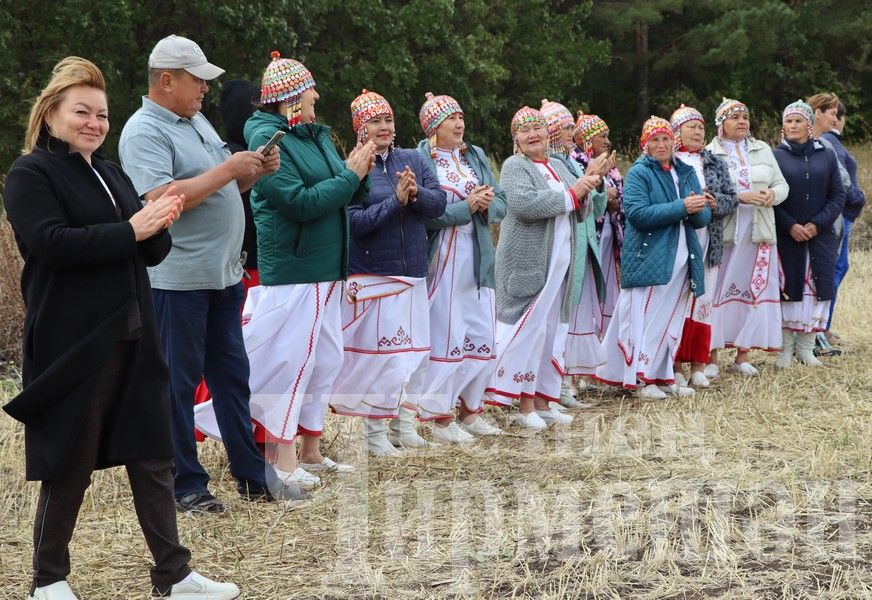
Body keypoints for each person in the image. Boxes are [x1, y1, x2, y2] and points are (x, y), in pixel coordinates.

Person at [4, 56, 238, 600]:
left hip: (136, 333)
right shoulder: (30, 174)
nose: (93, 123)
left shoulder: (110, 172)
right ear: (51, 114)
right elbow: (50, 244)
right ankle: (48, 580)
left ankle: (174, 575)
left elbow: (145, 251)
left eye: (101, 114)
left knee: (154, 456)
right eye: (81, 112)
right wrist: (131, 229)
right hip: (76, 342)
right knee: (72, 462)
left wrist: (159, 226)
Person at [119, 35, 293, 514]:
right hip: (177, 282)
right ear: (167, 80)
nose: (205, 90)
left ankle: (251, 474)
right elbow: (160, 200)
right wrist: (227, 170)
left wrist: (253, 171)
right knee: (177, 382)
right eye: (198, 80)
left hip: (221, 276)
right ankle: (186, 484)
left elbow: (223, 188)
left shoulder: (194, 121)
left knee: (232, 377)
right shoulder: (142, 132)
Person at [196, 52, 368, 485]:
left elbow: (338, 190)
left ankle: (310, 449)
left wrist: (355, 174)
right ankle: (280, 456)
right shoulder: (266, 140)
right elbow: (300, 202)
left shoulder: (314, 135)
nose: (316, 96)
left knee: (325, 359)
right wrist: (351, 176)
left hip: (326, 268)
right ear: (291, 98)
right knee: (291, 362)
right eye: (310, 90)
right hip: (295, 267)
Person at [330, 90, 447, 455]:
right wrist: (394, 202)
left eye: (388, 120)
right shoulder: (349, 165)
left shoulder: (412, 158)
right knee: (383, 359)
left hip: (412, 271)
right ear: (360, 128)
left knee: (415, 355)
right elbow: (351, 222)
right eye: (375, 121)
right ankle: (374, 433)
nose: (384, 127)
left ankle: (405, 423)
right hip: (374, 276)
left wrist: (414, 195)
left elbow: (439, 204)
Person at [488, 107, 599, 428]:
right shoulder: (514, 166)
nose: (532, 134)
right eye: (524, 131)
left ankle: (543, 399)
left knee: (551, 332)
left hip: (558, 267)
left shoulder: (557, 165)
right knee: (528, 333)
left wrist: (587, 184)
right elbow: (523, 204)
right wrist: (575, 192)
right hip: (529, 266)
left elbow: (582, 208)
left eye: (537, 127)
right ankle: (522, 407)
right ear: (516, 140)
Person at [595, 116, 711, 399]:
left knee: (671, 319)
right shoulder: (639, 173)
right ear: (644, 145)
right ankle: (639, 378)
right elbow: (637, 214)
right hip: (649, 256)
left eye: (666, 139)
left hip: (684, 257)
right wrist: (682, 206)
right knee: (644, 319)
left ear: (675, 141)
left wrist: (699, 208)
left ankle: (663, 374)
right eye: (654, 140)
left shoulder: (684, 171)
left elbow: (702, 218)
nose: (661, 145)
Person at [416, 92, 506, 441]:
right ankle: (438, 416)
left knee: (483, 334)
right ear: (433, 127)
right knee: (449, 333)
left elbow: (503, 201)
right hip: (445, 255)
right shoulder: (423, 160)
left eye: (461, 117)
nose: (459, 124)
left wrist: (485, 206)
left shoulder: (475, 156)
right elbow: (426, 213)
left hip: (479, 253)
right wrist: (464, 208)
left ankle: (470, 409)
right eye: (450, 118)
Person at [706, 98, 789, 376]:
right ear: (721, 124)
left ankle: (742, 355)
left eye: (745, 116)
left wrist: (772, 195)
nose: (742, 121)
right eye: (734, 117)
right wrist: (740, 197)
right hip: (727, 233)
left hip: (759, 231)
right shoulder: (710, 153)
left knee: (754, 290)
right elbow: (708, 192)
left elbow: (781, 184)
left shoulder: (762, 148)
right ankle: (711, 357)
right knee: (718, 290)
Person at [541, 99, 610, 408]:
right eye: (567, 127)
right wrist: (589, 177)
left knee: (569, 318)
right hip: (560, 248)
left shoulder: (571, 161)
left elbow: (595, 207)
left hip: (580, 248)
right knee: (556, 319)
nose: (573, 133)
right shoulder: (548, 164)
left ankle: (561, 384)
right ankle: (550, 388)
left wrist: (597, 180)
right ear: (553, 132)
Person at [773, 100, 845, 367]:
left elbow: (838, 194)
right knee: (788, 290)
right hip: (787, 237)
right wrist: (790, 225)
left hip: (819, 237)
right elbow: (773, 198)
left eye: (798, 121)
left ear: (808, 124)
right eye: (788, 121)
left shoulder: (825, 154)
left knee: (816, 291)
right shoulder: (775, 156)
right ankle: (783, 350)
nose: (793, 126)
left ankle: (806, 349)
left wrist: (817, 224)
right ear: (784, 126)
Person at [670, 105, 737, 388]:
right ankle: (672, 365)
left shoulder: (714, 162)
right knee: (677, 300)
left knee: (703, 302)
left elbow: (732, 198)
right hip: (678, 240)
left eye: (700, 127)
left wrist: (715, 203)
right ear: (676, 132)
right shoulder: (669, 162)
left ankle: (698, 363)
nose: (698, 132)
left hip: (708, 240)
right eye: (690, 127)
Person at [813, 97, 866, 344]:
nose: (835, 119)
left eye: (837, 114)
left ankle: (824, 327)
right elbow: (842, 180)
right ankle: (821, 329)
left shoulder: (830, 140)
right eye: (831, 113)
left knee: (837, 268)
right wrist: (859, 198)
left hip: (842, 214)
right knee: (834, 268)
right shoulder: (827, 141)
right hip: (838, 215)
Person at [570, 113, 625, 340]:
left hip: (609, 233)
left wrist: (614, 198)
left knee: (607, 285)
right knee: (589, 286)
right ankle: (587, 339)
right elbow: (578, 195)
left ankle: (605, 340)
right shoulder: (576, 162)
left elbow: (620, 194)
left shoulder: (609, 165)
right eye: (602, 136)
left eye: (608, 136)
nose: (607, 141)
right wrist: (602, 192)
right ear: (587, 139)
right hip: (590, 234)